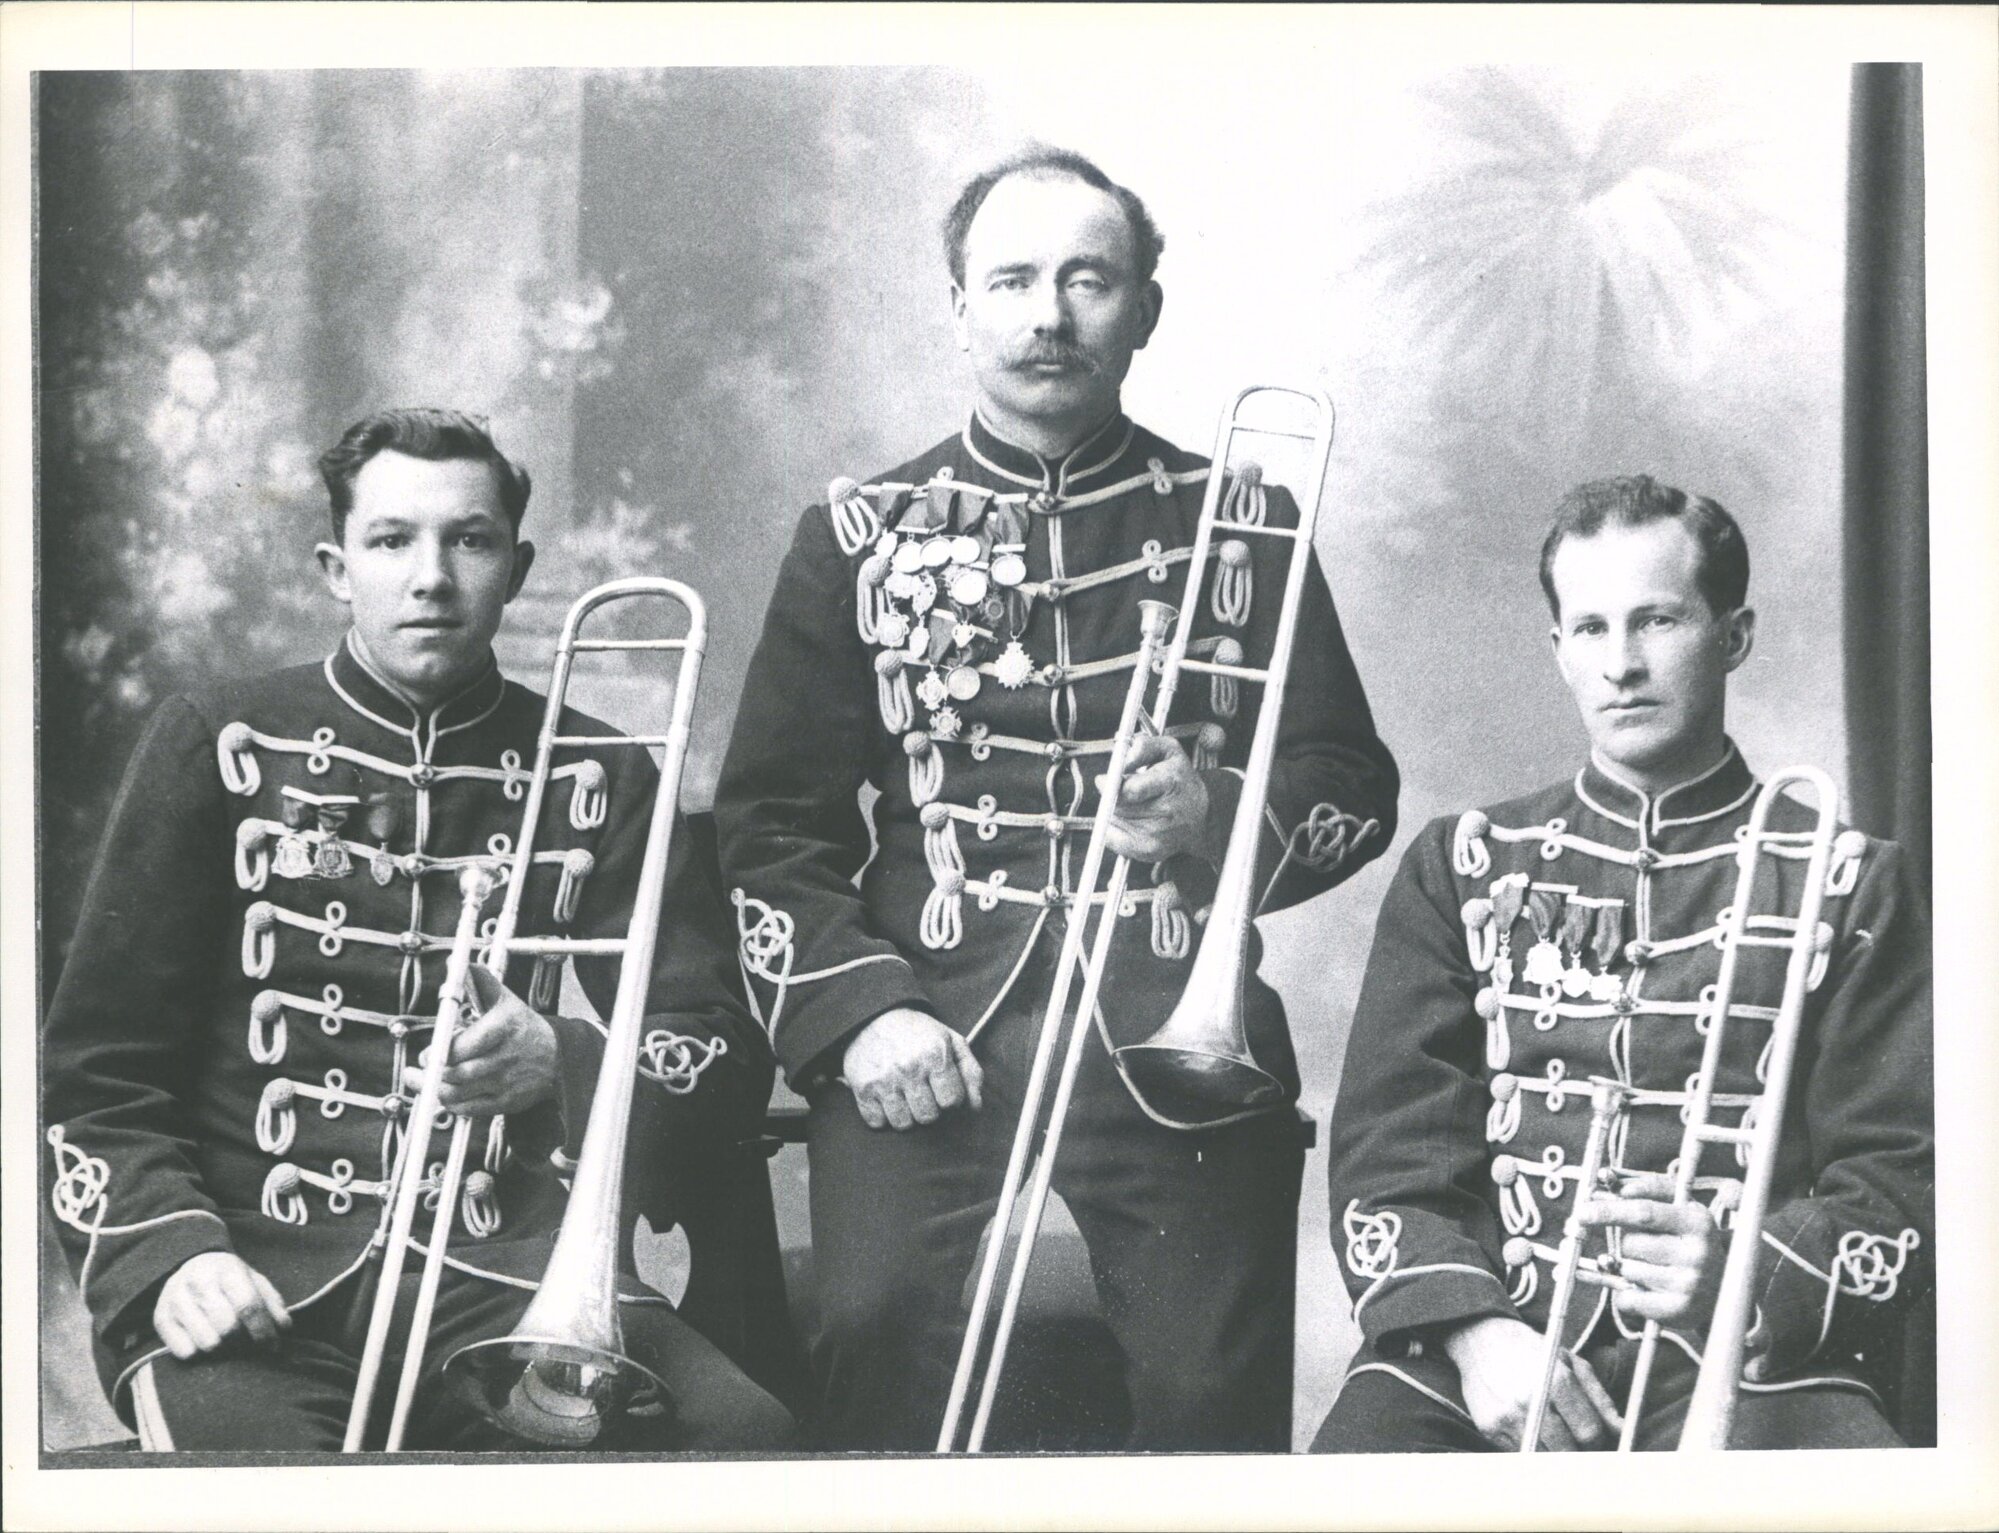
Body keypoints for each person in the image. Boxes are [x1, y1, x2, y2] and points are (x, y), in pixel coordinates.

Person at [714, 146, 1399, 1451]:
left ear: (1142, 308)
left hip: (1167, 1025)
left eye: (1087, 279)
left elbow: (1348, 787)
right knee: (868, 1335)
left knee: (1209, 1393)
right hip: (927, 1017)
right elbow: (770, 831)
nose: (1046, 314)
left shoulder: (1239, 519)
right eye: (1011, 279)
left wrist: (1210, 823)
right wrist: (859, 1016)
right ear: (957, 306)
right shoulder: (857, 534)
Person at [42, 408, 794, 1451]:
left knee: (745, 1441)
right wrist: (172, 1257)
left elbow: (718, 1054)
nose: (431, 576)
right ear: (336, 566)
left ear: (518, 566)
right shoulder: (219, 744)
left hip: (501, 1278)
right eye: (392, 540)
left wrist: (562, 1063)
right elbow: (95, 1073)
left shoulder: (606, 771)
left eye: (469, 539)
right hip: (257, 1275)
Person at [1313, 475, 1932, 1452]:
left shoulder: (1852, 883)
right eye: (1591, 630)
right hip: (1488, 1344)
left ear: (1732, 636)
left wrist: (1736, 1272)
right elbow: (1391, 1161)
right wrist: (1477, 1338)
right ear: (1557, 652)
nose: (1623, 665)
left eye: (1657, 621)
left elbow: (1902, 1183)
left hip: (1747, 1355)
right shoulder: (1462, 865)